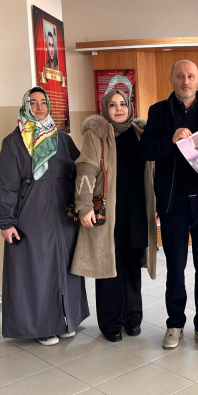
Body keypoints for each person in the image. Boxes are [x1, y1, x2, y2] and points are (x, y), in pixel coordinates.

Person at [140, 59, 198, 351]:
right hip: (172, 203)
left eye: (190, 76)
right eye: (180, 76)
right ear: (172, 80)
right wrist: (171, 139)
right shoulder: (158, 111)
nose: (185, 81)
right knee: (175, 269)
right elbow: (145, 150)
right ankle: (175, 324)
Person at [0, 87, 89, 346]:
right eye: (33, 103)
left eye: (43, 102)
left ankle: (67, 320)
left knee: (67, 269)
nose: (39, 107)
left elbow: (81, 171)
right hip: (32, 218)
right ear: (25, 107)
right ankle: (43, 327)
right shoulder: (13, 142)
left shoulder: (62, 138)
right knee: (38, 272)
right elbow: (7, 185)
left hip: (63, 216)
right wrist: (6, 221)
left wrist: (85, 205)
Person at [71, 89, 158, 343]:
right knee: (108, 267)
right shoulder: (96, 134)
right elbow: (85, 170)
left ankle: (133, 319)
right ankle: (111, 323)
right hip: (108, 214)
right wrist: (83, 205)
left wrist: (156, 203)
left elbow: (152, 172)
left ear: (130, 107)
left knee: (131, 266)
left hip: (136, 212)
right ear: (104, 108)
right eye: (112, 104)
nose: (118, 109)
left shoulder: (140, 134)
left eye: (123, 104)